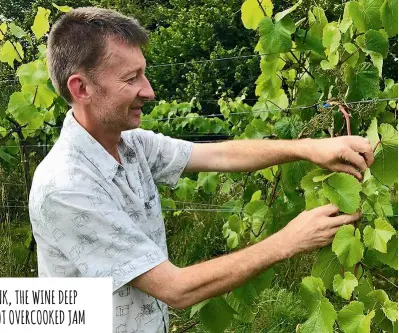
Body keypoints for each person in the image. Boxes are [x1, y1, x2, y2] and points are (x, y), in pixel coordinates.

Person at [28, 7, 374, 333]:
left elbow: (220, 156)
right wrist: (289, 240)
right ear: (81, 88)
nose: (148, 91)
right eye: (131, 79)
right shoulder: (66, 187)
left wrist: (309, 149)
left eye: (144, 73)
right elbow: (175, 288)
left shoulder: (128, 143)